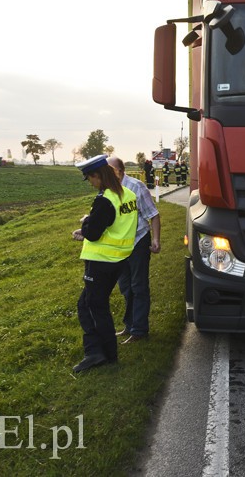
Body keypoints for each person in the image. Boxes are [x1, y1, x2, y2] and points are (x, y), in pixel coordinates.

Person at [71, 155, 138, 373]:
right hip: (119, 260)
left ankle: (103, 354)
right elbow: (115, 224)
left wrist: (86, 222)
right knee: (87, 304)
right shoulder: (128, 195)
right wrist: (90, 224)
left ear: (98, 176)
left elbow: (93, 233)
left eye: (90, 178)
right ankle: (97, 351)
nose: (90, 183)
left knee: (95, 307)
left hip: (101, 262)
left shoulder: (104, 200)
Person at [107, 156, 161, 343]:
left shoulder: (136, 187)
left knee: (139, 286)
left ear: (121, 171)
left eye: (110, 170)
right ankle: (129, 326)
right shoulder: (107, 189)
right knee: (125, 287)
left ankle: (139, 330)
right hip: (120, 245)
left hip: (138, 241)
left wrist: (156, 239)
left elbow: (153, 215)